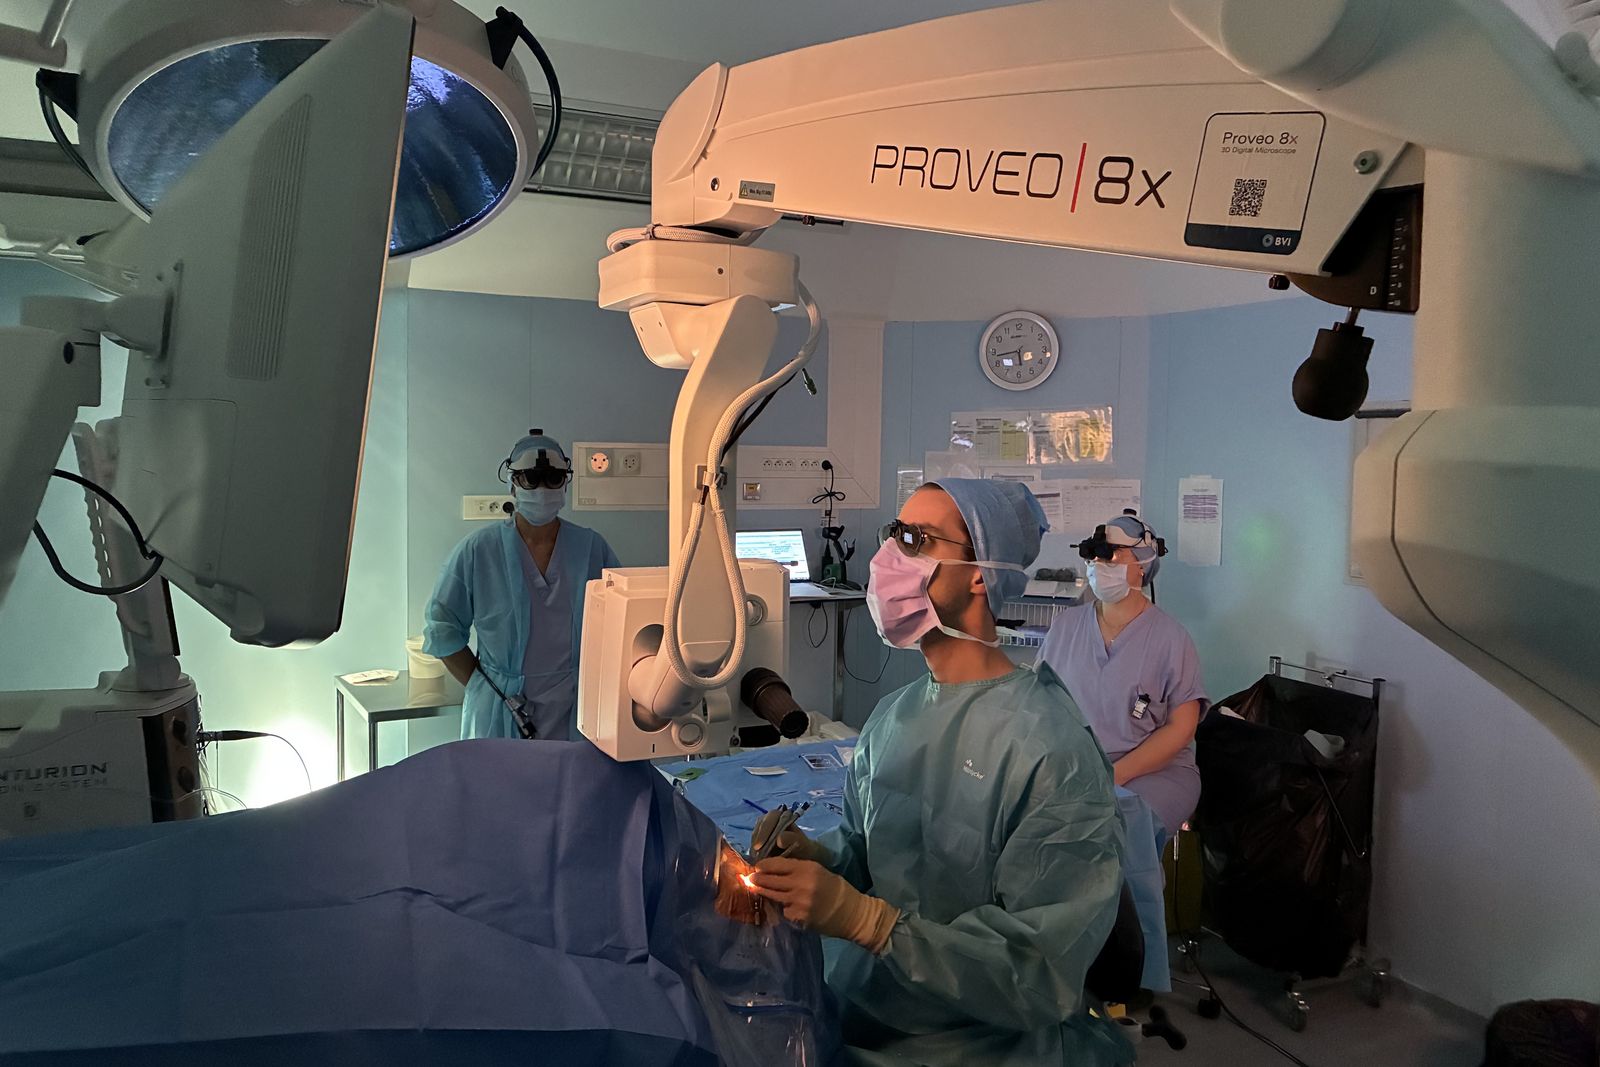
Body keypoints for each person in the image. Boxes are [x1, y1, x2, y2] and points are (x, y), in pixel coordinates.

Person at [750, 479, 1133, 1067]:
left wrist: (868, 922)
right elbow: (873, 851)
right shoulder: (894, 715)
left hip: (979, 1042)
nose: (888, 557)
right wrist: (822, 861)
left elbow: (1037, 969)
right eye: (893, 534)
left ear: (980, 574)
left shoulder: (1051, 751)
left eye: (916, 539)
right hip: (864, 1006)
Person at [423, 429, 619, 741]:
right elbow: (442, 628)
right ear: (513, 483)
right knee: (501, 774)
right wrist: (484, 686)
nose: (542, 489)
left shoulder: (591, 548)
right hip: (499, 708)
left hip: (576, 709)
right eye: (531, 478)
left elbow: (621, 624)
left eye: (553, 478)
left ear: (565, 482)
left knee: (571, 773)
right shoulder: (479, 550)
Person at [1038, 512, 1208, 843]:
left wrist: (1111, 777)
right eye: (1094, 555)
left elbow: (1181, 728)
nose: (1099, 564)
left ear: (1143, 563)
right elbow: (1038, 701)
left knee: (1114, 834)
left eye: (1112, 554)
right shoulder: (1065, 626)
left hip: (1154, 772)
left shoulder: (1171, 639)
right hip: (1076, 769)